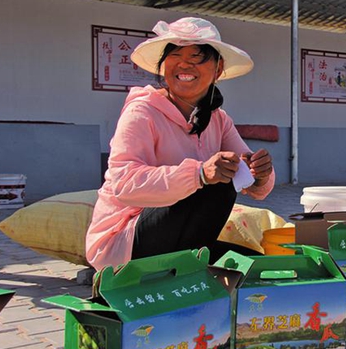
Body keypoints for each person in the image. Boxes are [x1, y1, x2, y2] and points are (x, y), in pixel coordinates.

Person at [86, 17, 275, 271]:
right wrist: (198, 174)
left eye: (197, 57)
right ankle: (176, 275)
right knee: (216, 185)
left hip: (181, 239)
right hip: (125, 242)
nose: (184, 63)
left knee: (255, 266)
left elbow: (248, 174)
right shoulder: (142, 112)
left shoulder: (218, 119)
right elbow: (124, 183)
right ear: (164, 66)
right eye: (175, 55)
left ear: (217, 70)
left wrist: (259, 173)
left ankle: (190, 268)